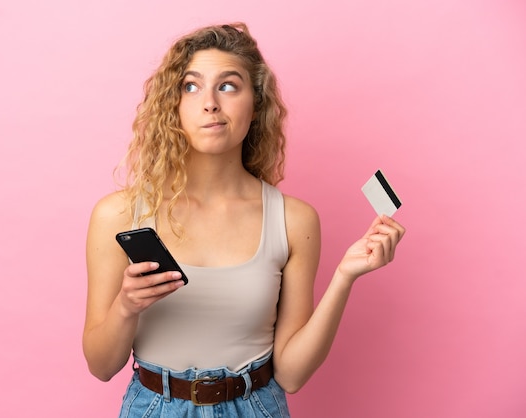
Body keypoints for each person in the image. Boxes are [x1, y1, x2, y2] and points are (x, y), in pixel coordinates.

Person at [83, 22, 405, 417]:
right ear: (173, 104)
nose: (210, 103)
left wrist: (345, 276)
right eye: (191, 86)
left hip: (256, 407)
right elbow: (100, 366)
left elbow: (291, 375)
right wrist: (126, 306)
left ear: (256, 103)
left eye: (229, 85)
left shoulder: (294, 220)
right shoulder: (118, 214)